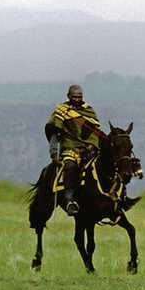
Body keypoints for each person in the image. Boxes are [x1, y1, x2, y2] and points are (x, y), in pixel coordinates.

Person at [45, 85, 102, 216]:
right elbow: (54, 134)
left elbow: (95, 133)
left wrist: (92, 145)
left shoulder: (89, 110)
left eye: (79, 97)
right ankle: (69, 199)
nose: (77, 99)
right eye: (75, 97)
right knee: (70, 166)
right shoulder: (61, 111)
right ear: (68, 96)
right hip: (69, 148)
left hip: (88, 149)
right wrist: (54, 153)